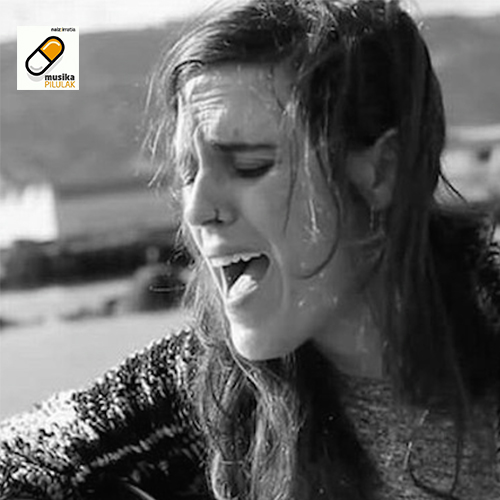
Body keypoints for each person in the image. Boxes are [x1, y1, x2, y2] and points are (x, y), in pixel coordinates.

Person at [1, 1, 499, 499]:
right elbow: (21, 455)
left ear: (381, 171)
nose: (198, 210)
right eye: (188, 174)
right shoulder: (210, 382)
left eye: (249, 166)